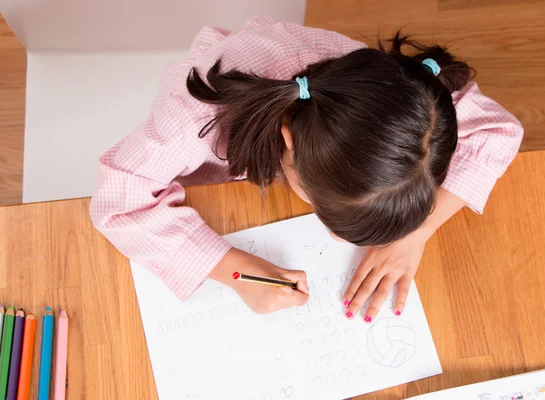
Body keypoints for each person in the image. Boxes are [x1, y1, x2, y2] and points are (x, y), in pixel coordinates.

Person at [90, 17, 523, 323]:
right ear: (291, 142)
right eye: (323, 208)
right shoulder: (190, 118)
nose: (335, 239)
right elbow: (117, 200)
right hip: (219, 160)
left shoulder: (409, 94)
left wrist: (415, 233)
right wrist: (235, 269)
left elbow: (499, 132)